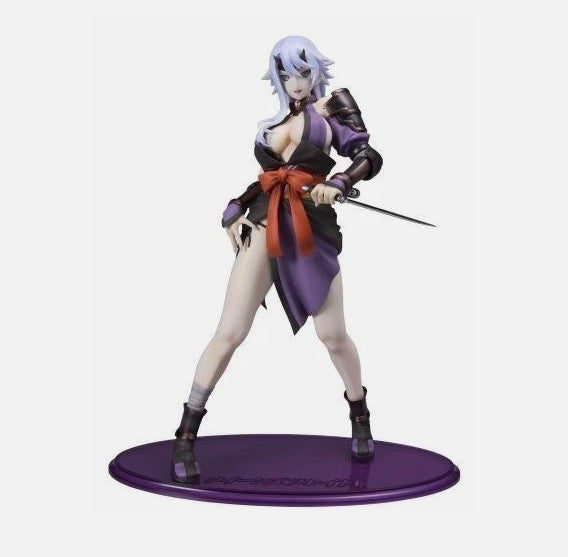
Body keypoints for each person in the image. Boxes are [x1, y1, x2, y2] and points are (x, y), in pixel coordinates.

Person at [172, 36, 383, 483]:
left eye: (303, 72)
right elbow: (268, 179)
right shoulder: (272, 122)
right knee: (228, 333)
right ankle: (186, 432)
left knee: (333, 336)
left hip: (310, 231)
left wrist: (340, 181)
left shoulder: (333, 110)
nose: (296, 82)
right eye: (286, 74)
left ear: (315, 71)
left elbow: (369, 156)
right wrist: (234, 208)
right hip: (263, 225)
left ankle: (359, 411)